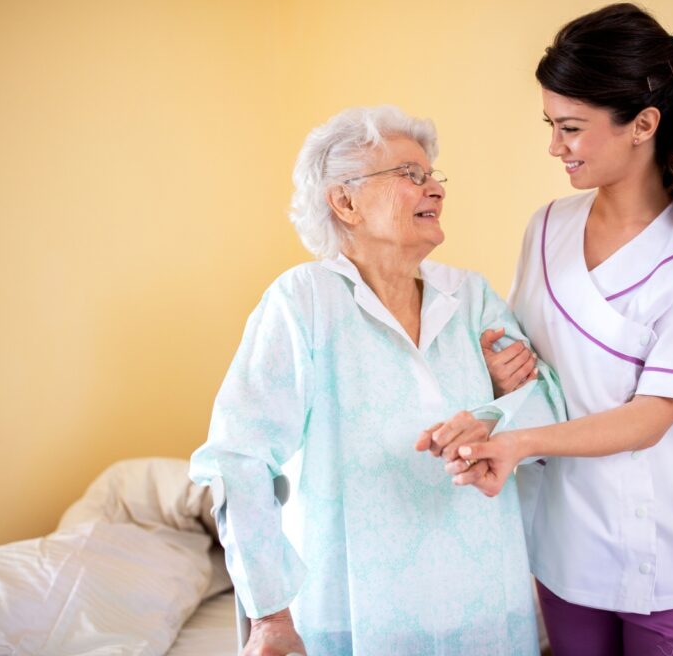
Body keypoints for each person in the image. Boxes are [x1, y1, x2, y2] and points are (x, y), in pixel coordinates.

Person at [426, 3, 673, 656]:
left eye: (572, 128)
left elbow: (651, 416)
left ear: (643, 124)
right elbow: (535, 367)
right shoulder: (546, 227)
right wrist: (501, 377)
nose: (555, 146)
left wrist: (519, 443)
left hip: (670, 555)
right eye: (551, 124)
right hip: (565, 547)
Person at [188, 105, 564, 656]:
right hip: (358, 616)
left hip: (487, 608)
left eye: (434, 175)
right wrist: (270, 614)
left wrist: (497, 407)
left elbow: (550, 406)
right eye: (411, 175)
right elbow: (238, 459)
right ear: (344, 202)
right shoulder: (303, 302)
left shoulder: (471, 297)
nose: (434, 188)